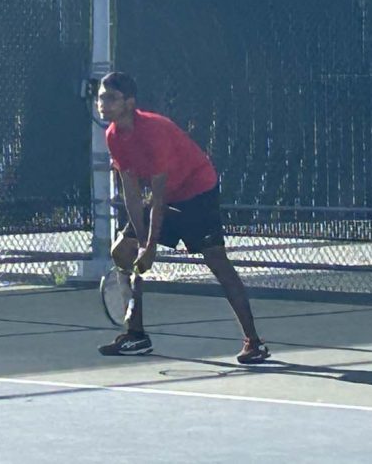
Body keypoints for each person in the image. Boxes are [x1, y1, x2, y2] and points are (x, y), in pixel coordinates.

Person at [94, 71, 270, 364]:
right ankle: (136, 335)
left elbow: (160, 194)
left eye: (111, 98)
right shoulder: (113, 135)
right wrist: (139, 243)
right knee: (122, 251)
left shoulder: (153, 131)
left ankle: (254, 342)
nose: (103, 103)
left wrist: (150, 245)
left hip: (197, 191)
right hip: (167, 195)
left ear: (129, 102)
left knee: (217, 261)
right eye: (101, 97)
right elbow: (132, 193)